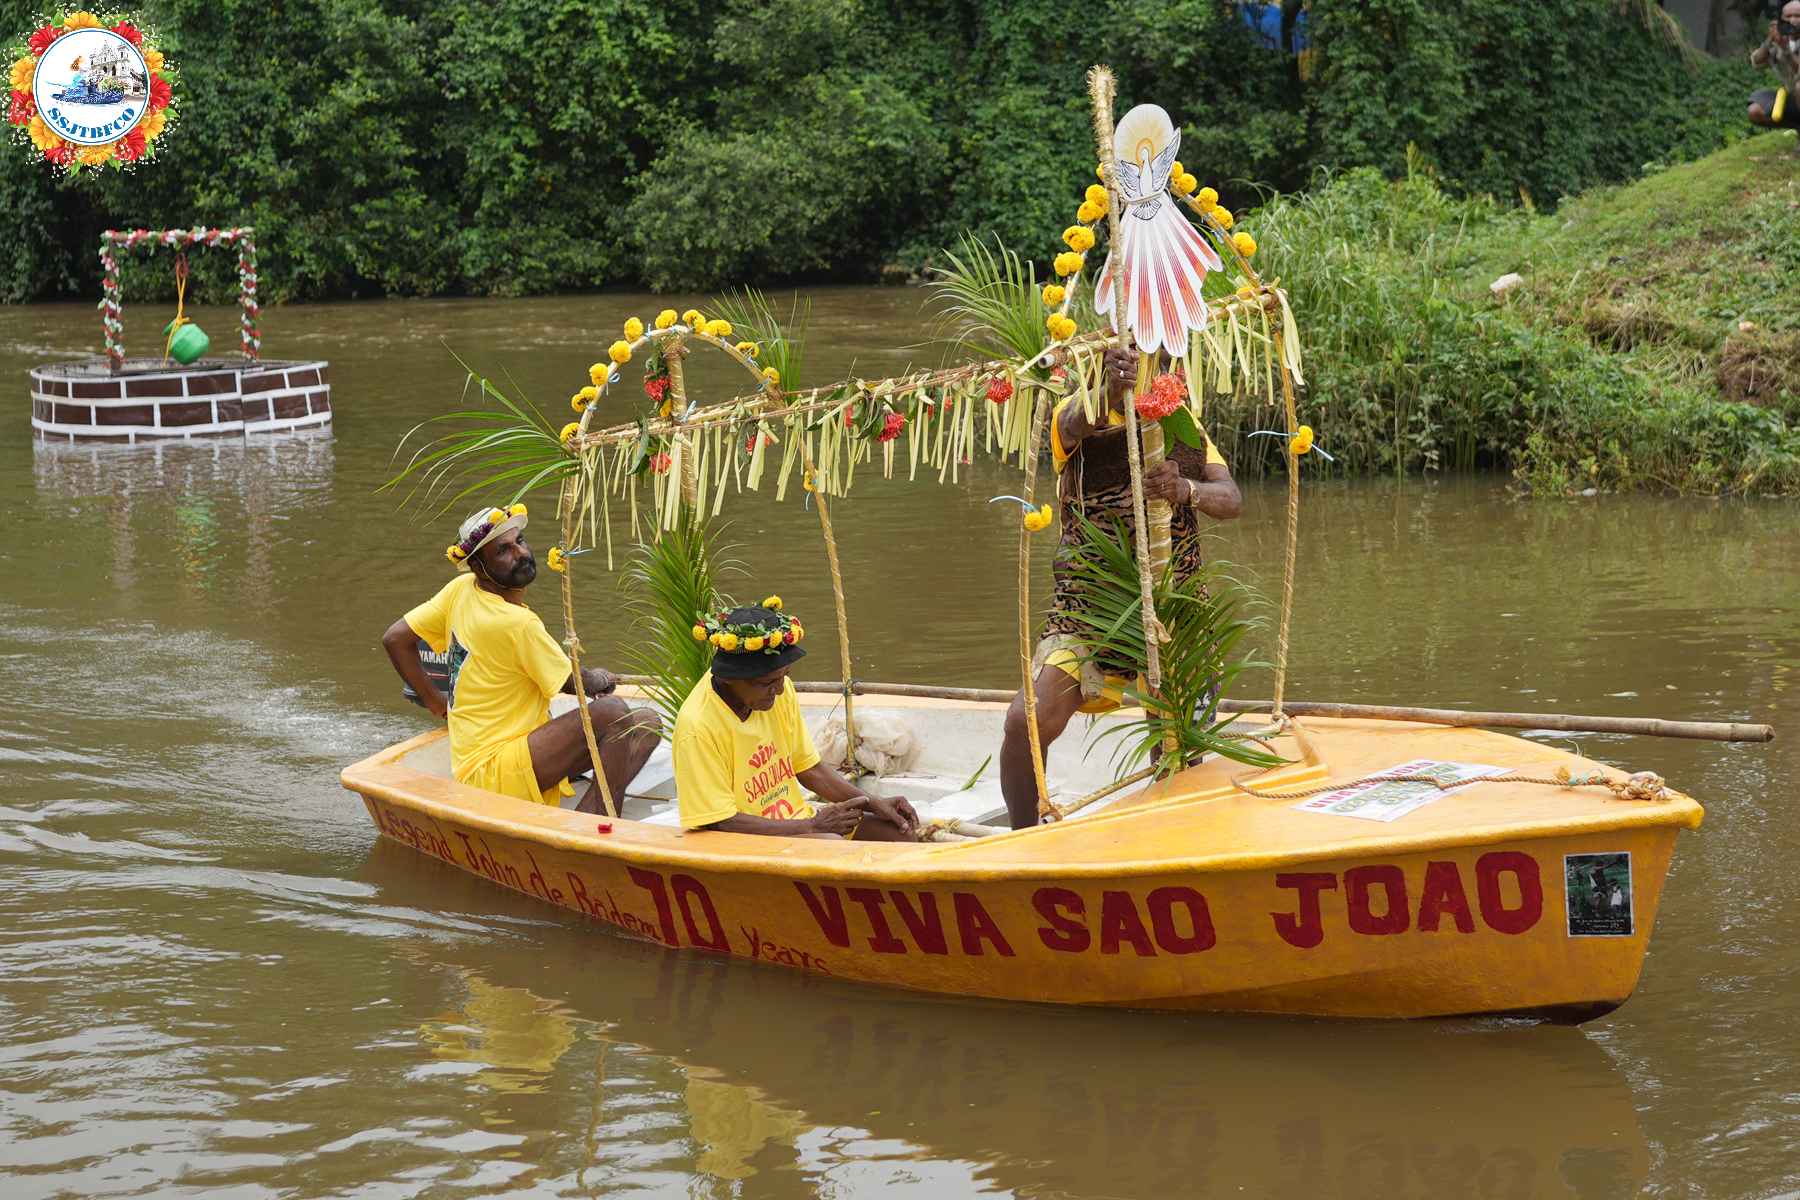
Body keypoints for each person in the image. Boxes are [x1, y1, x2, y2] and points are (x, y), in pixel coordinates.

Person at [999, 347, 1243, 829]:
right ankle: (1020, 838)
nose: (1146, 364)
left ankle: (1168, 837)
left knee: (1177, 744)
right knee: (1025, 721)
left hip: (1174, 603)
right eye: (1129, 358)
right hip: (1091, 605)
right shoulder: (1074, 414)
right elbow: (1076, 422)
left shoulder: (1182, 424)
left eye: (1154, 357)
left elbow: (1231, 499)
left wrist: (1185, 490)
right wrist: (1110, 390)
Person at [382, 502, 659, 813]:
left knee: (647, 723)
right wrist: (596, 678)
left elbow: (395, 638)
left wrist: (436, 703)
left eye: (520, 541)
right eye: (503, 551)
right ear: (479, 568)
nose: (521, 554)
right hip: (492, 769)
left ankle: (589, 813)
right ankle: (601, 821)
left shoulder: (461, 590)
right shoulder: (518, 623)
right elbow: (575, 683)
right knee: (613, 712)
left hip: (495, 755)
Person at [673, 601, 919, 840]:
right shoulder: (698, 727)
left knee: (899, 832)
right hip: (747, 838)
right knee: (832, 844)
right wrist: (812, 826)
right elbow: (721, 821)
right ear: (728, 678)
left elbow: (809, 768)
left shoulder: (778, 691)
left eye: (784, 676)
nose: (780, 689)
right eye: (767, 683)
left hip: (795, 821)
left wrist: (872, 803)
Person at [1749, 3, 1800, 129]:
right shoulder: (1781, 39)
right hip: (1790, 96)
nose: (1792, 20)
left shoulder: (1784, 44)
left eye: (1797, 16)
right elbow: (1757, 62)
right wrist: (1770, 39)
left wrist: (1786, 50)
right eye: (1788, 16)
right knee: (1755, 110)